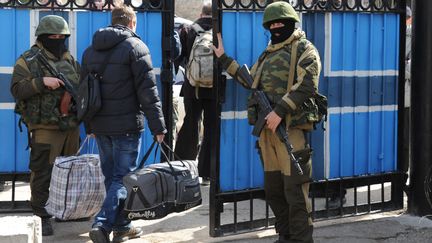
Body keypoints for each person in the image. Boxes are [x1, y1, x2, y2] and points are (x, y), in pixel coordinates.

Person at [212, 2, 321, 242]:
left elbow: (308, 84)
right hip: (267, 133)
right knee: (274, 191)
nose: (276, 28)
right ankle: (285, 235)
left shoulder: (304, 48)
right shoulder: (268, 53)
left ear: (292, 23)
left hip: (288, 130)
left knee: (295, 192)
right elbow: (250, 81)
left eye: (281, 24)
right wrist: (223, 59)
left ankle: (302, 239)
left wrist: (280, 111)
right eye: (272, 25)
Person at [80, 4, 166, 243]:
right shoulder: (136, 47)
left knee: (112, 177)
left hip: (100, 126)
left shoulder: (89, 51)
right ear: (132, 23)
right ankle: (102, 224)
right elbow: (148, 92)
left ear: (112, 20)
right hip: (127, 126)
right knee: (123, 178)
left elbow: (84, 94)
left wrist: (89, 126)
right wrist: (158, 127)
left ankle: (122, 226)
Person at [10, 15, 80, 236]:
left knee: (69, 172)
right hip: (45, 128)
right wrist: (41, 83)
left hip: (70, 126)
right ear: (42, 37)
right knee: (42, 172)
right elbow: (17, 89)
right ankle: (41, 214)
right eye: (53, 36)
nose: (58, 40)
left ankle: (65, 209)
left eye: (62, 36)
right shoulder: (28, 60)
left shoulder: (69, 60)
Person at [174, 2, 215, 185]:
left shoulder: (188, 29)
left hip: (192, 86)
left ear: (201, 12)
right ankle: (208, 173)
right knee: (212, 128)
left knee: (191, 124)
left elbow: (179, 56)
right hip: (214, 88)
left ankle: (182, 169)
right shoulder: (220, 29)